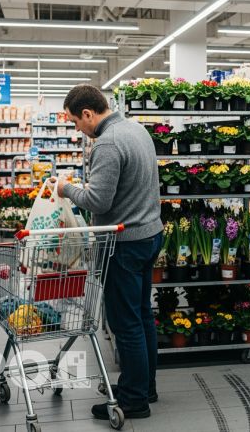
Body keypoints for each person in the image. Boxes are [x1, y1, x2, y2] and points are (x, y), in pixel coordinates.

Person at [55, 85, 163, 420]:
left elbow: (99, 202)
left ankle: (133, 400)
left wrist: (67, 188)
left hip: (124, 243)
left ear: (88, 113)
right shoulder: (136, 129)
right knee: (142, 315)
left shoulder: (108, 143)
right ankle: (145, 386)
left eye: (75, 121)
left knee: (125, 322)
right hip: (150, 233)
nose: (76, 128)